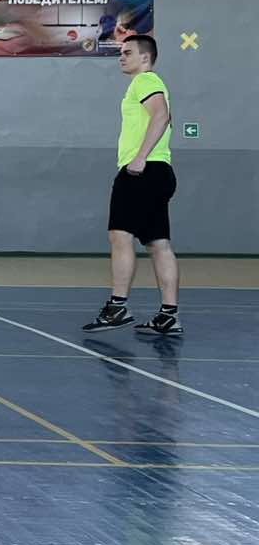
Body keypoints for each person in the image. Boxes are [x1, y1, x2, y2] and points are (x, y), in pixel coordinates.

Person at [84, 35, 181, 336]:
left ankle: (117, 307)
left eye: (128, 52)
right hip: (160, 172)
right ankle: (168, 316)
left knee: (120, 235)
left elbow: (161, 116)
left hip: (142, 172)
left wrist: (139, 158)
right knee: (158, 244)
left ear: (145, 57)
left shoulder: (145, 81)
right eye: (121, 53)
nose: (121, 57)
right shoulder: (147, 83)